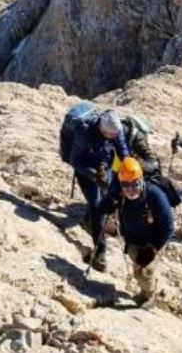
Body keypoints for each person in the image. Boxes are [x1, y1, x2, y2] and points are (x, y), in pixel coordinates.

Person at [99, 157, 174, 304]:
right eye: (126, 185)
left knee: (144, 272)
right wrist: (108, 203)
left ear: (141, 180)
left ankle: (149, 296)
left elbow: (168, 228)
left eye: (134, 184)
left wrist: (151, 251)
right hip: (133, 239)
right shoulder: (120, 193)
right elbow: (102, 207)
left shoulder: (156, 196)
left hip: (154, 240)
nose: (130, 189)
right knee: (138, 270)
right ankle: (145, 289)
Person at [68, 108, 129, 271]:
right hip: (86, 172)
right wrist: (94, 175)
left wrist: (129, 165)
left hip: (105, 168)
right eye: (110, 136)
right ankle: (100, 253)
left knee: (102, 200)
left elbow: (122, 148)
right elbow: (75, 161)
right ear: (102, 130)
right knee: (97, 206)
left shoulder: (115, 129)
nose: (114, 138)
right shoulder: (84, 133)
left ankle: (89, 221)